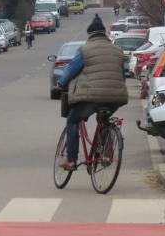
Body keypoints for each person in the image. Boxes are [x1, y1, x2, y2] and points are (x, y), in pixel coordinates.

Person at [54, 15, 127, 170]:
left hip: (92, 97)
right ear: (104, 34)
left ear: (90, 34)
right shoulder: (118, 50)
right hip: (116, 97)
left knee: (72, 120)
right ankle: (103, 150)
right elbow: (122, 76)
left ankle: (72, 160)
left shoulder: (85, 50)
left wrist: (60, 84)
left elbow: (71, 70)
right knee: (104, 119)